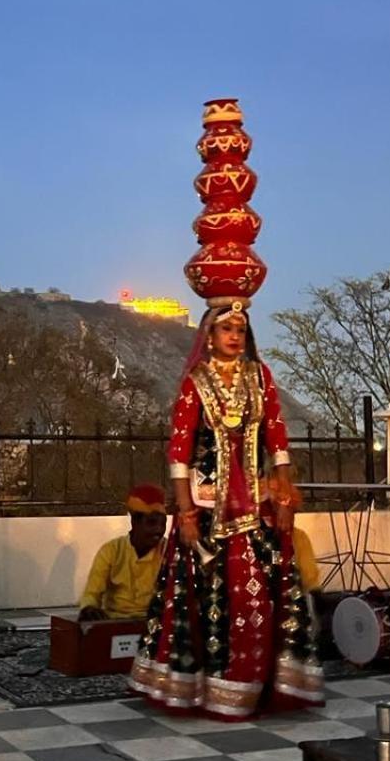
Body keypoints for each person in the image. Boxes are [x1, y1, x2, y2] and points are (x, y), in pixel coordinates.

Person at [129, 301, 324, 720]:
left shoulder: (260, 377)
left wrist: (286, 492)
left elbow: (277, 437)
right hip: (206, 506)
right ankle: (207, 689)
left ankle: (258, 687)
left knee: (259, 600)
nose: (234, 335)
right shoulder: (195, 382)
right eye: (226, 329)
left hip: (257, 505)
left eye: (241, 328)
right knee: (210, 601)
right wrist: (183, 513)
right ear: (209, 336)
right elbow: (178, 451)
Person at [78, 484, 168, 622]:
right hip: (114, 622)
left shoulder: (169, 550)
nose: (159, 530)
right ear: (134, 522)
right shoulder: (111, 551)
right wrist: (89, 608)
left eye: (163, 524)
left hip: (155, 623)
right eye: (152, 523)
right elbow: (92, 593)